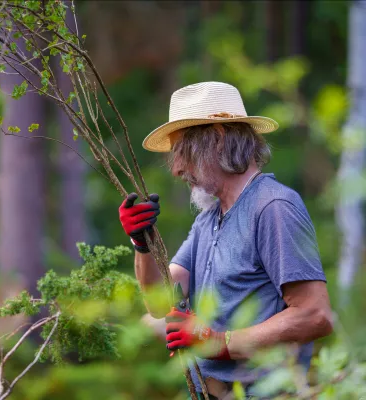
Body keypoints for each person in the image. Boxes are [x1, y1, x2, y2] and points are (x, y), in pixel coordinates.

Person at [118, 82, 333, 399]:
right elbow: (160, 303)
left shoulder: (273, 208)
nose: (177, 169)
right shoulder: (208, 220)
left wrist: (220, 343)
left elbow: (316, 315)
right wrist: (142, 245)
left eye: (182, 152)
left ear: (218, 139)